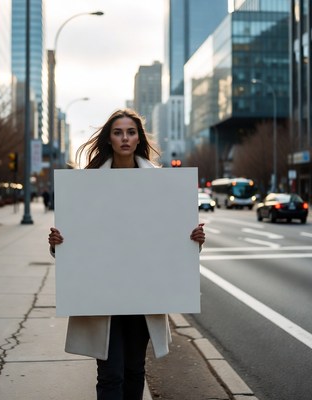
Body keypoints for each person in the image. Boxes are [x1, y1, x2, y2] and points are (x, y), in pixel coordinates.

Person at [48, 109, 206, 400]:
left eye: (130, 132)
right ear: (109, 138)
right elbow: (77, 243)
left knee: (134, 370)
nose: (125, 138)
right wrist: (59, 243)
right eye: (118, 132)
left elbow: (169, 238)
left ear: (138, 138)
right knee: (110, 374)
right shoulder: (87, 184)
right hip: (102, 297)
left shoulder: (160, 183)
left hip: (142, 296)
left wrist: (193, 239)